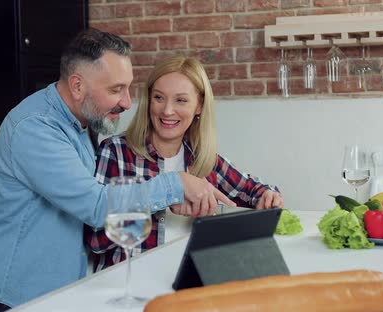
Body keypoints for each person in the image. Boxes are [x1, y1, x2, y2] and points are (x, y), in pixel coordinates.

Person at [0, 29, 233, 311]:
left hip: (55, 296)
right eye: (116, 90)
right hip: (11, 301)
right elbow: (98, 205)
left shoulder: (79, 124)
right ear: (77, 85)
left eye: (128, 88)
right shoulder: (35, 128)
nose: (127, 102)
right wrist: (176, 184)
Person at [86, 55, 283, 272]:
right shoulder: (116, 152)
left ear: (199, 105)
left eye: (181, 100)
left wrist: (268, 196)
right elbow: (95, 241)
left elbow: (254, 191)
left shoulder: (203, 158)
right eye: (159, 97)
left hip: (188, 281)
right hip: (129, 285)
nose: (167, 110)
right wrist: (164, 200)